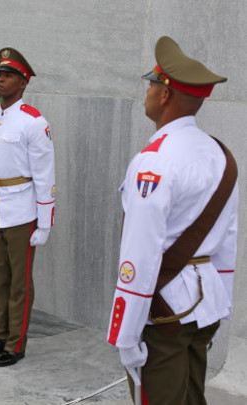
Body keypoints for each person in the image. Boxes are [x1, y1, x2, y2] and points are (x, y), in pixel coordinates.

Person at [107, 36, 236, 405]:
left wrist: (126, 333)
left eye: (151, 83)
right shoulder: (219, 154)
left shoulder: (153, 161)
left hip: (164, 311)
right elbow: (227, 237)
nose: (146, 91)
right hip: (204, 301)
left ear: (164, 94)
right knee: (193, 396)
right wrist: (220, 301)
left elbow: (139, 253)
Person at [0, 48, 56, 367]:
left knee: (19, 281)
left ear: (23, 82)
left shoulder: (34, 122)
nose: (0, 79)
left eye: (7, 75)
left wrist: (44, 224)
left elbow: (45, 175)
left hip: (22, 210)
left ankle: (15, 343)